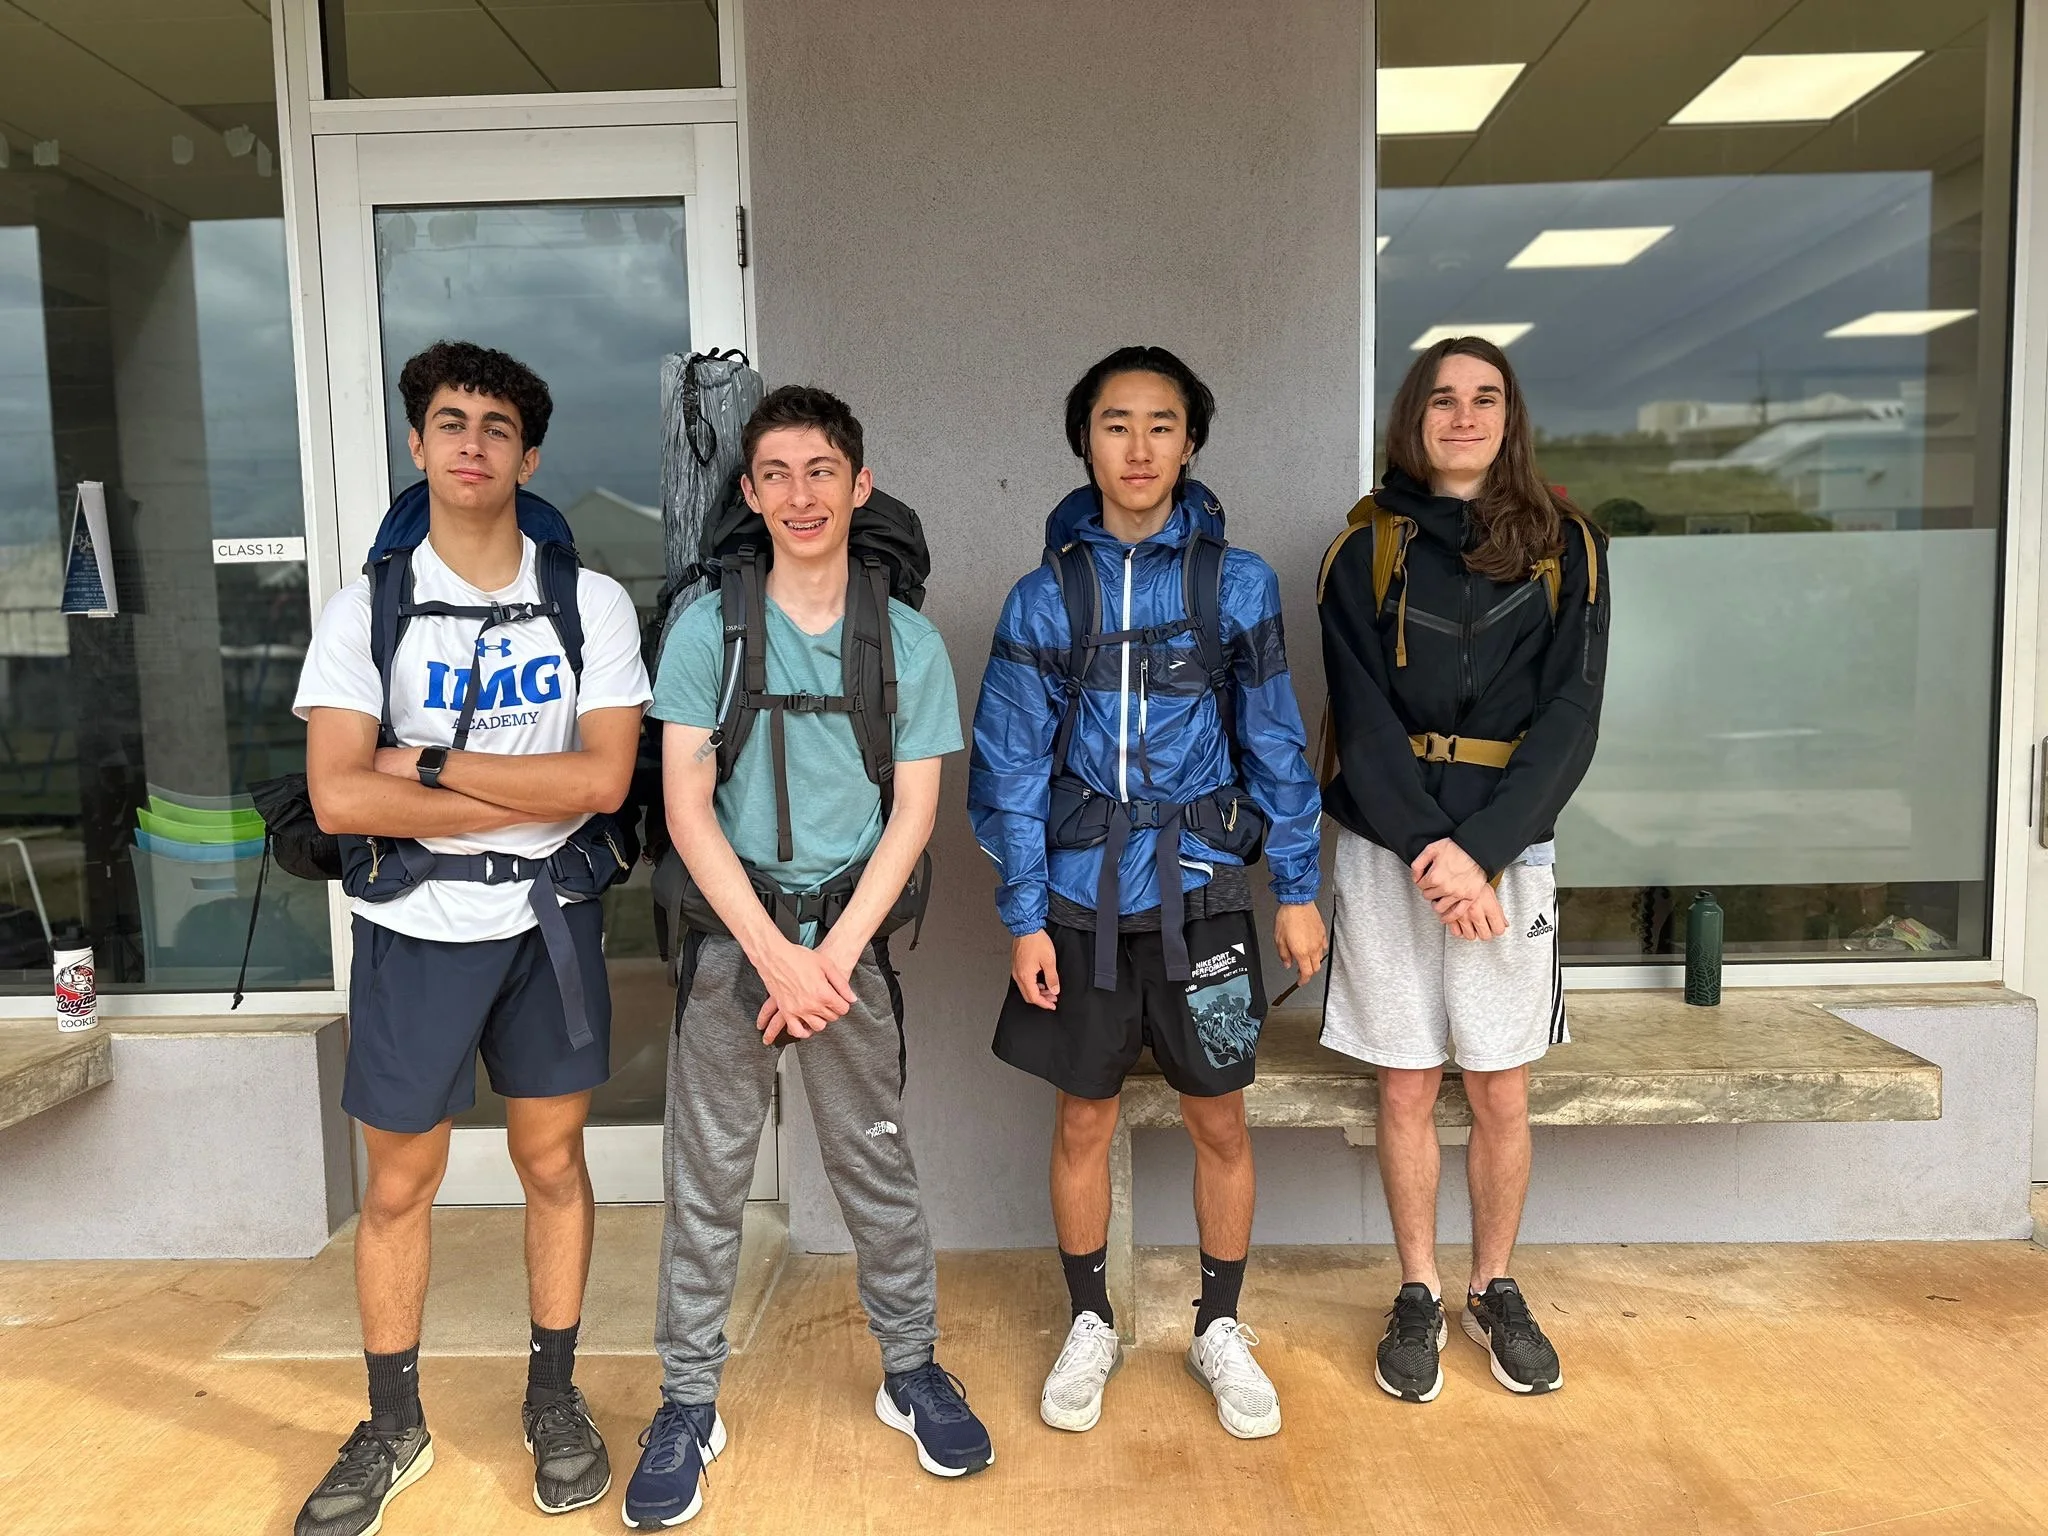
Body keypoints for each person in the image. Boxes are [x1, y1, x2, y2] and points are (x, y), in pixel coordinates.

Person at [292, 341, 651, 1534]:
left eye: (497, 428)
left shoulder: (588, 602)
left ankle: (553, 1398)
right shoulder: (366, 609)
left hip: (548, 924)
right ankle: (393, 1423)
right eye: (450, 422)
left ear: (527, 457)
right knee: (400, 1183)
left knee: (551, 1163)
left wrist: (431, 767)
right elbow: (339, 797)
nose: (472, 444)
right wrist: (522, 795)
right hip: (414, 928)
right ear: (417, 444)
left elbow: (603, 782)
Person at [627, 385, 990, 1529]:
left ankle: (910, 1367)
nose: (799, 494)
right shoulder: (709, 629)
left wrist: (825, 960)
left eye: (819, 471)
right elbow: (685, 808)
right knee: (706, 1180)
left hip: (846, 948)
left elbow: (914, 814)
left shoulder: (905, 640)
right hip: (732, 945)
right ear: (748, 492)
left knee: (875, 1168)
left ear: (857, 483)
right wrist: (774, 958)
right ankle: (687, 1402)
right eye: (775, 474)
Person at [970, 346, 1327, 1441]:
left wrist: (1296, 887)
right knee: (1082, 1113)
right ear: (1084, 441)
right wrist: (1024, 914)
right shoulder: (1043, 597)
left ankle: (1219, 1325)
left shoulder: (1237, 584)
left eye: (1160, 424)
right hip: (1079, 905)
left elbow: (1275, 743)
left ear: (1190, 441)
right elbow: (1008, 768)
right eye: (1115, 424)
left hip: (1206, 895)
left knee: (1218, 1114)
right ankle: (1090, 1320)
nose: (1137, 446)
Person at [1317, 335, 1610, 1403]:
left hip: (1505, 849)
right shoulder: (1363, 548)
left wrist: (1480, 852)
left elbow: (1571, 716)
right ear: (1414, 417)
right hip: (1389, 847)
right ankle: (1418, 1290)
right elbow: (1359, 715)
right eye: (1442, 399)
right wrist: (1425, 849)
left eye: (1485, 398)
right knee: (1404, 1080)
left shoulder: (1569, 546)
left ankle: (1492, 1286)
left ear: (1509, 417)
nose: (1463, 416)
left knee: (1497, 1084)